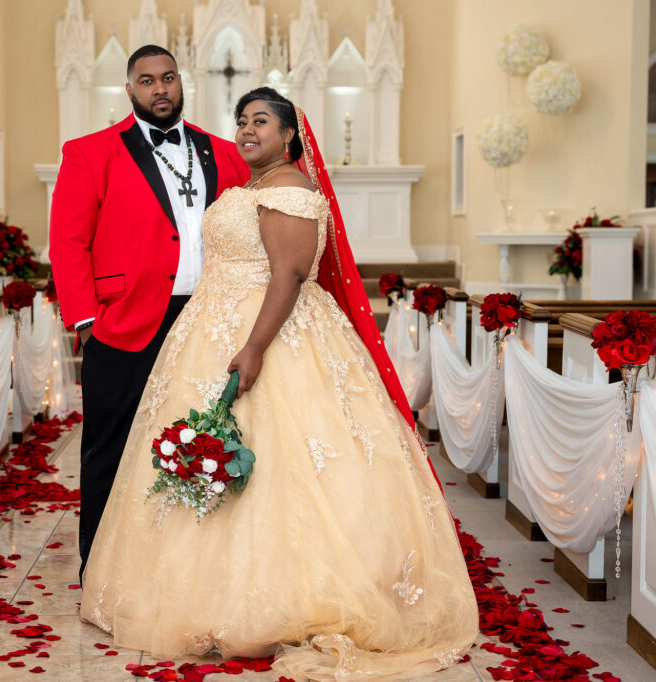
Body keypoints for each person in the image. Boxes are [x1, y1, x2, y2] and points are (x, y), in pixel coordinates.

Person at [79, 87, 478, 680]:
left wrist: (255, 348)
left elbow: (289, 275)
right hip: (212, 327)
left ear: (290, 134)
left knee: (289, 464)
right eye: (241, 121)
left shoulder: (291, 186)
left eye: (260, 121)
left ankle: (291, 595)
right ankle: (203, 588)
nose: (246, 130)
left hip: (272, 335)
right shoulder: (253, 187)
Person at [48, 45, 250, 580]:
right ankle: (101, 565)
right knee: (109, 448)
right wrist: (86, 321)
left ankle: (185, 567)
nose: (159, 88)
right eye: (146, 80)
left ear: (182, 82)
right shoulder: (90, 153)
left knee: (200, 442)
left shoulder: (223, 153)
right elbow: (68, 243)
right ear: (130, 89)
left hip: (206, 319)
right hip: (123, 320)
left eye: (167, 78)